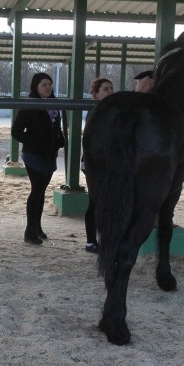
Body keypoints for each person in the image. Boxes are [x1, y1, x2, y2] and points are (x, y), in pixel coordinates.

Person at [11, 73, 66, 245]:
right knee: (37, 191)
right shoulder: (30, 106)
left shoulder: (54, 106)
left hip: (50, 155)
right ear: (36, 87)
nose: (48, 87)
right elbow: (16, 131)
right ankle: (29, 230)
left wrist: (60, 138)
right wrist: (36, 142)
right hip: (33, 155)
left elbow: (56, 128)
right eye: (44, 84)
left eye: (50, 84)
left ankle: (37, 226)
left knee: (41, 191)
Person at [83, 78, 115, 252]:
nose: (109, 91)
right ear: (95, 94)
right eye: (105, 89)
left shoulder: (113, 111)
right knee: (95, 201)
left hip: (109, 162)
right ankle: (91, 240)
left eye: (111, 88)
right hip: (95, 163)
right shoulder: (96, 112)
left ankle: (102, 238)